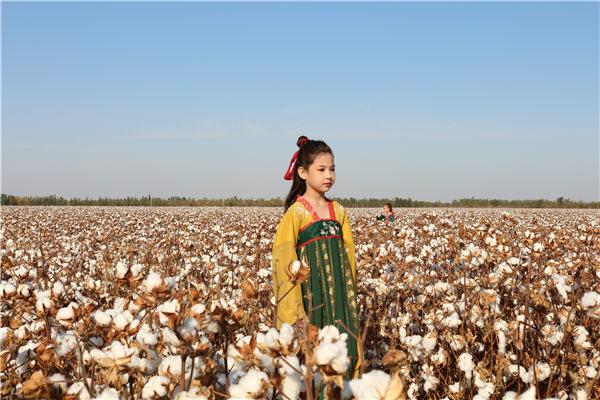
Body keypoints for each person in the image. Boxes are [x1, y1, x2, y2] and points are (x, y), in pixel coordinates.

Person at [272, 136, 361, 380]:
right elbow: (284, 265)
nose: (328, 175)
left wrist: (351, 299)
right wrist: (294, 318)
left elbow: (349, 259)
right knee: (316, 364)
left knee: (345, 357)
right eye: (321, 169)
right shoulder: (296, 212)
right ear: (302, 172)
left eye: (332, 169)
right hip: (312, 301)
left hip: (341, 301)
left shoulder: (339, 212)